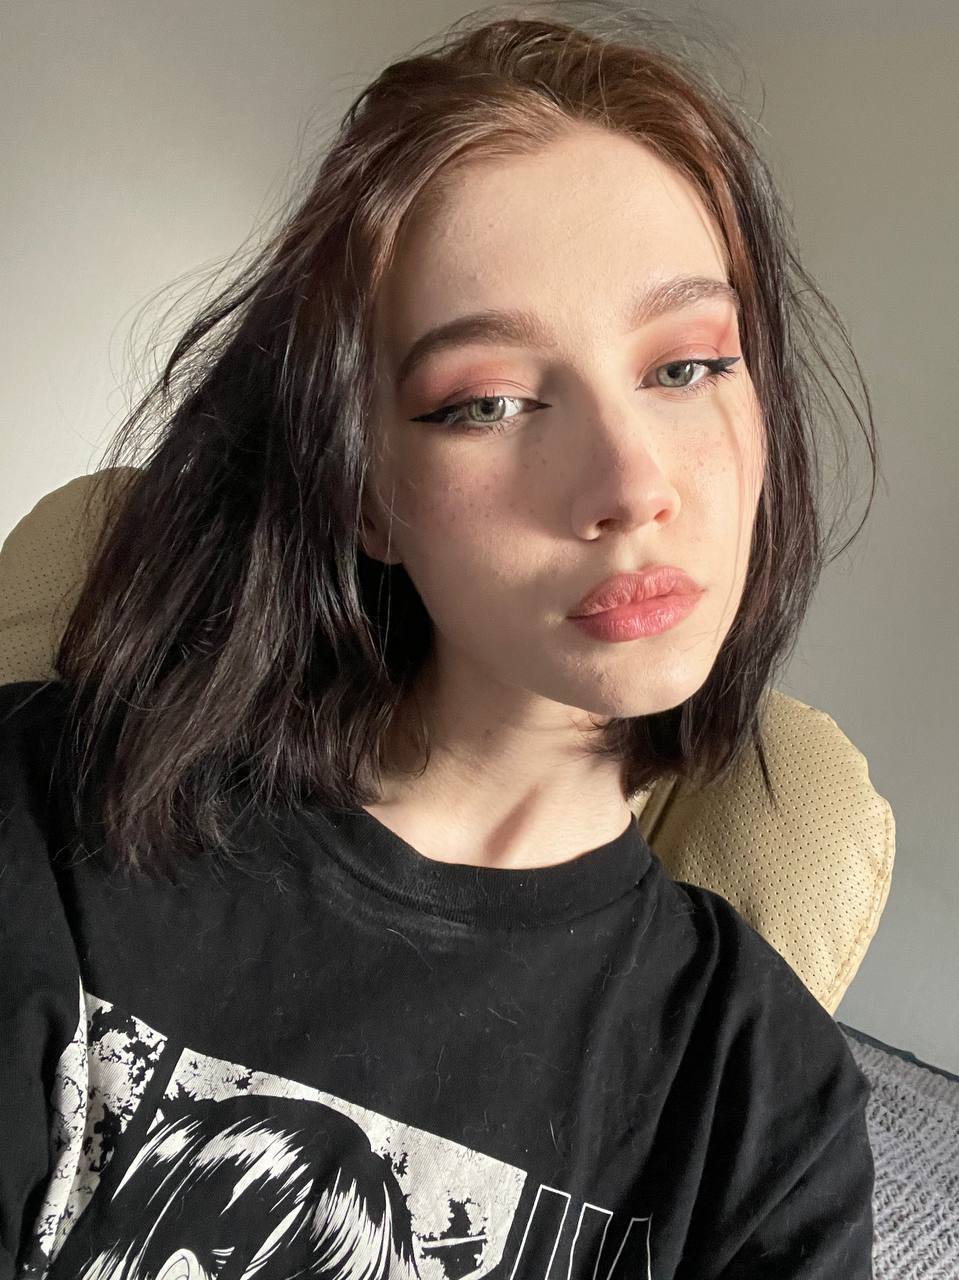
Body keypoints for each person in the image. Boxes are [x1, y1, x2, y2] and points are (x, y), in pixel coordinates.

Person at [0, 3, 879, 1278]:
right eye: (489, 401)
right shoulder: (51, 811)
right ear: (365, 488)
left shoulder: (765, 1098)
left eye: (685, 367)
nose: (630, 483)